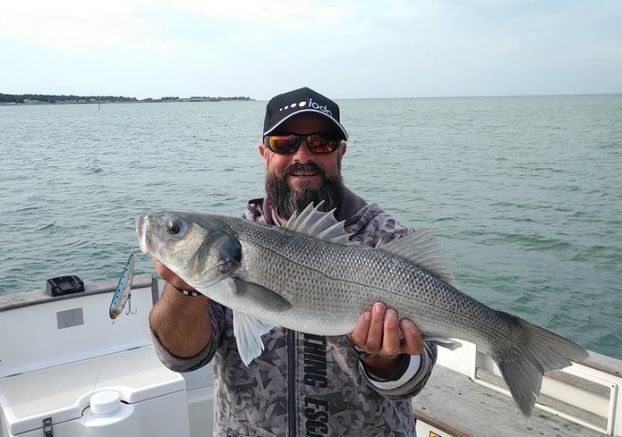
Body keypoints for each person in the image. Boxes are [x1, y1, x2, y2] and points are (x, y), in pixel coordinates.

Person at [149, 87, 437, 436]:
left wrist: (384, 358)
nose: (303, 155)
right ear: (264, 153)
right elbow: (182, 357)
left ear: (340, 153)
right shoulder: (226, 247)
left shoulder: (388, 240)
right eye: (285, 143)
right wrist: (184, 287)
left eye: (321, 143)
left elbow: (413, 380)